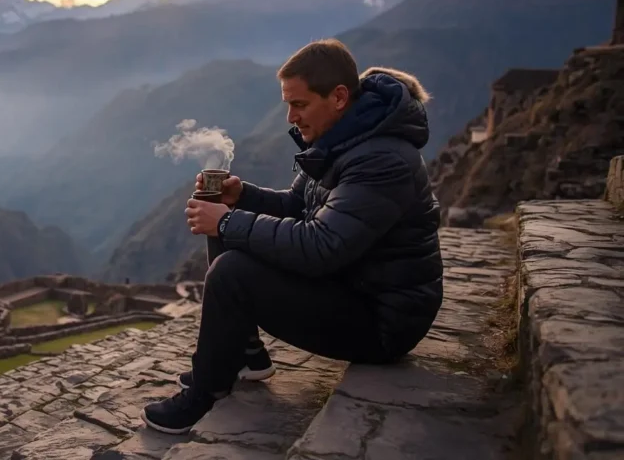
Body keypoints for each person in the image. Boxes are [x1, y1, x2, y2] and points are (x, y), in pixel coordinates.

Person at [141, 38, 444, 434]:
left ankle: (205, 392)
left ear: (337, 97)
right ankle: (247, 357)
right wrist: (242, 196)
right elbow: (300, 205)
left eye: (299, 105)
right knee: (231, 227)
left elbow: (321, 246)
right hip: (351, 284)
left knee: (232, 268)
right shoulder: (342, 137)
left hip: (383, 321)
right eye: (287, 104)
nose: (290, 117)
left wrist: (228, 222)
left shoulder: (382, 159)